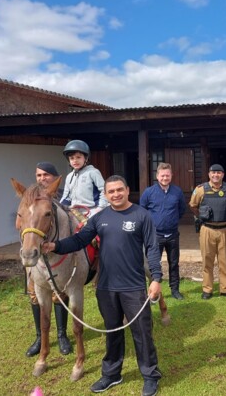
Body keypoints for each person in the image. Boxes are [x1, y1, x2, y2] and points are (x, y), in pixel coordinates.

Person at [42, 175, 163, 396]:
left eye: (119, 190)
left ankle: (150, 375)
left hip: (134, 287)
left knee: (142, 332)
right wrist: (55, 245)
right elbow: (79, 240)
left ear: (127, 190)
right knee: (112, 331)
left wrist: (155, 278)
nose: (116, 194)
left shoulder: (141, 215)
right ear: (106, 195)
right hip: (106, 287)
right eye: (111, 191)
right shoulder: (100, 218)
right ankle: (111, 374)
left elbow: (153, 248)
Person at [25, 161, 72, 357]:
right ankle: (39, 336)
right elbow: (22, 218)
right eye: (38, 175)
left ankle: (62, 335)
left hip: (56, 253)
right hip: (34, 250)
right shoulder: (30, 197)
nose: (42, 178)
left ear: (54, 177)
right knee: (34, 293)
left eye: (46, 175)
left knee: (59, 292)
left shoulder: (61, 195)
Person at [189, 164, 226, 300]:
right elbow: (193, 205)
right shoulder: (200, 190)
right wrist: (201, 216)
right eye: (213, 173)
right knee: (207, 261)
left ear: (223, 174)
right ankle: (207, 289)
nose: (216, 175)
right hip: (207, 229)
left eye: (218, 173)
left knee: (224, 261)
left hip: (225, 229)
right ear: (209, 174)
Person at [140, 162, 187, 300]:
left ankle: (175, 290)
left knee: (174, 263)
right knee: (152, 265)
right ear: (157, 176)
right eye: (162, 175)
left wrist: (171, 220)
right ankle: (154, 292)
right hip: (155, 235)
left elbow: (182, 209)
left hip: (173, 234)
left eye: (167, 175)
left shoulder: (177, 191)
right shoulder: (149, 192)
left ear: (171, 176)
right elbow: (142, 211)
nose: (165, 178)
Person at [59, 140, 109, 220]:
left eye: (78, 157)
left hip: (92, 210)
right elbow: (66, 196)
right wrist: (60, 207)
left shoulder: (93, 172)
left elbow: (104, 190)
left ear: (86, 158)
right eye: (72, 158)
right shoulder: (69, 176)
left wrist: (100, 208)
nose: (75, 160)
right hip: (75, 211)